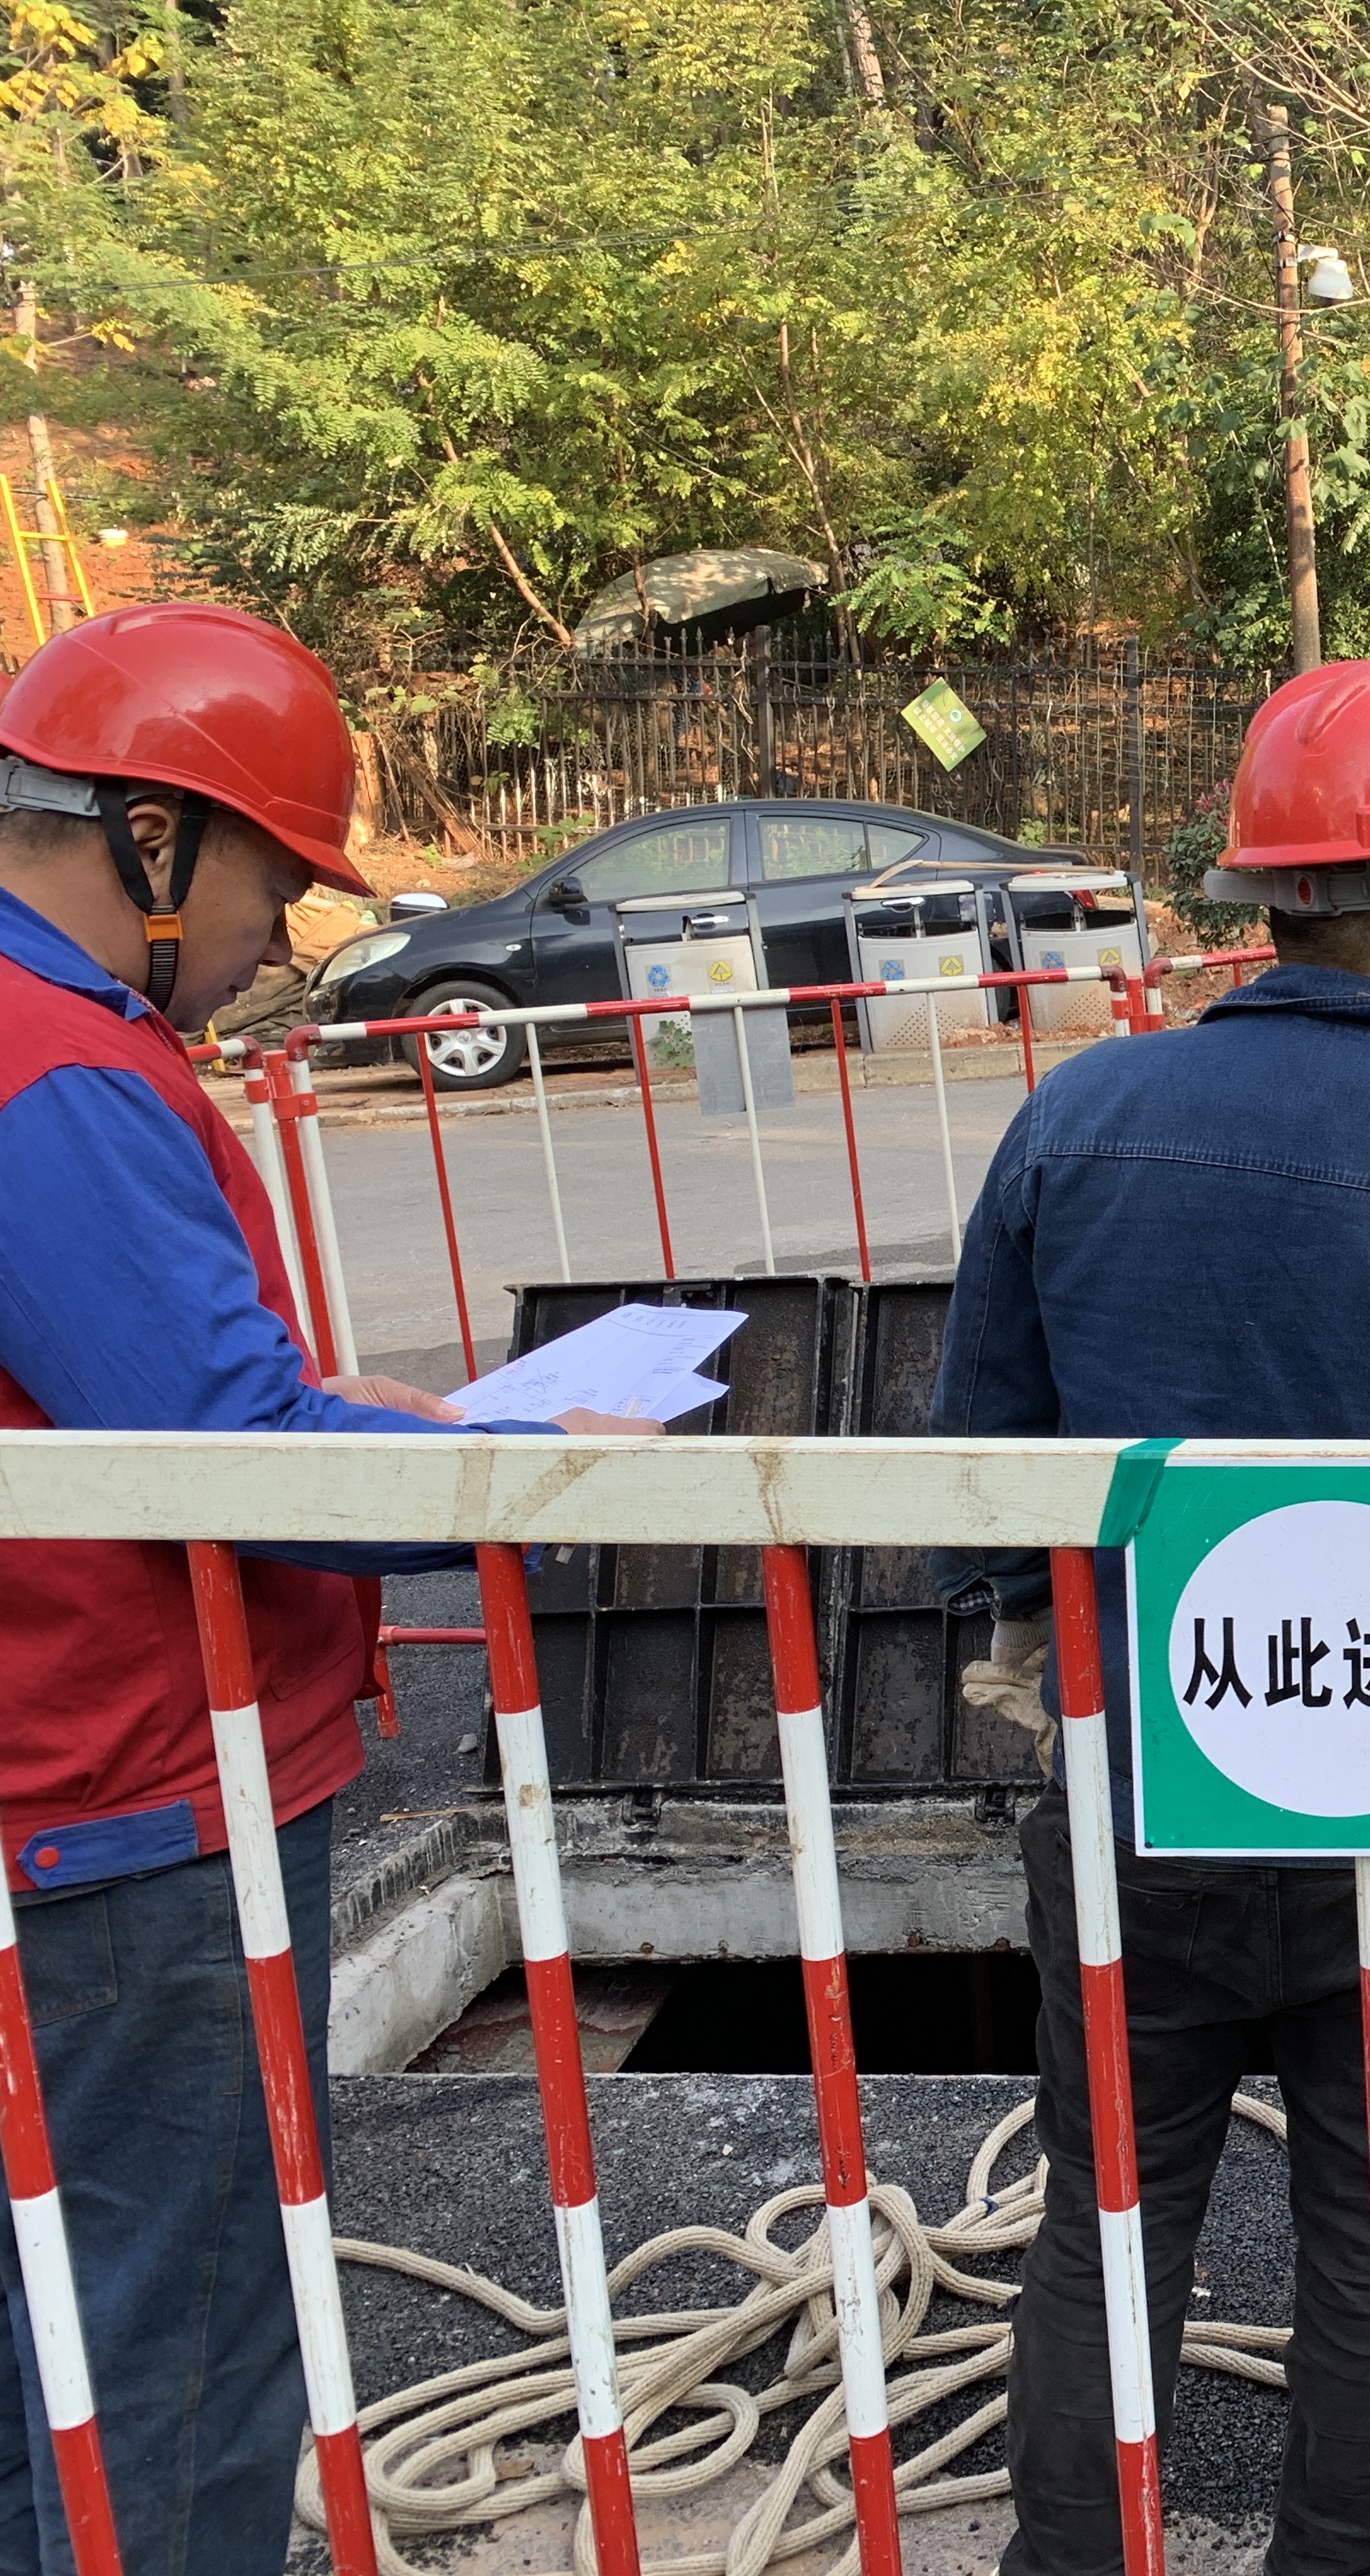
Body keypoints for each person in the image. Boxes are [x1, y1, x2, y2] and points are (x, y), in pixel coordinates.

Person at [931, 656, 1370, 2576]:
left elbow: (979, 1478)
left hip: (1134, 1791)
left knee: (1107, 2229)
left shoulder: (1074, 1125)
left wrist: (1058, 1662)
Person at [0, 601, 651, 2572]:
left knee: (65, 2348)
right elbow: (223, 1453)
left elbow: (169, 1394)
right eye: (277, 879)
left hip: (72, 1784)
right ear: (149, 839)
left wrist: (338, 1408)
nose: (286, 938)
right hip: (130, 1800)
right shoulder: (57, 1073)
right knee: (178, 2352)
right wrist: (514, 1470)